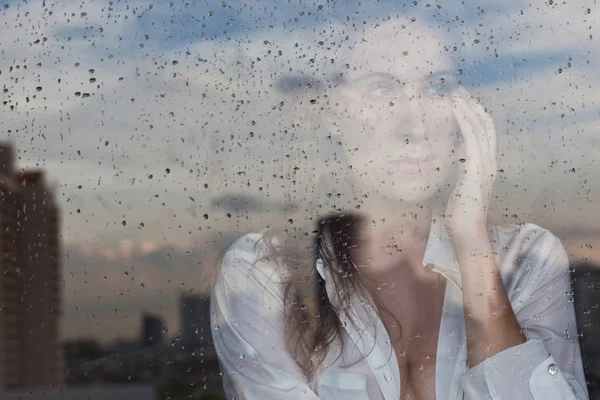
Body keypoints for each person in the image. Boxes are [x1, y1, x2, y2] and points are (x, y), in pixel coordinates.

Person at [209, 15, 589, 400]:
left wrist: (473, 247)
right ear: (336, 113)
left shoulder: (527, 260)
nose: (415, 124)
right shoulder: (263, 273)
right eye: (380, 90)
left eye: (436, 87)